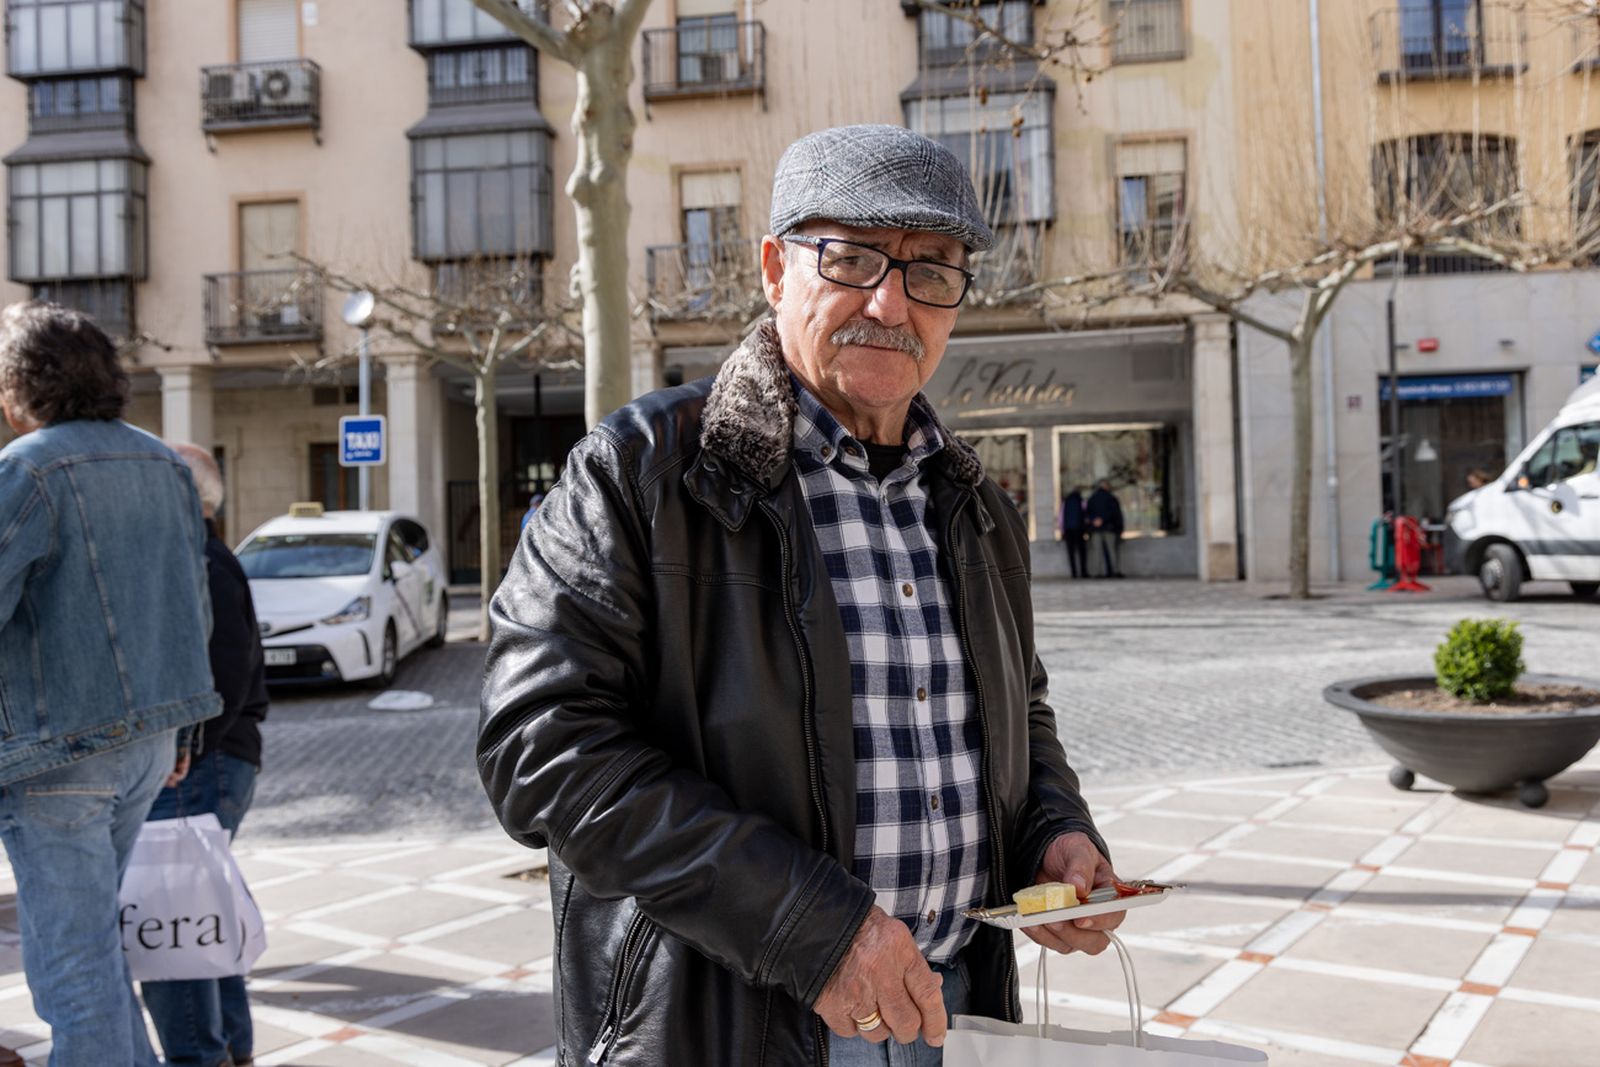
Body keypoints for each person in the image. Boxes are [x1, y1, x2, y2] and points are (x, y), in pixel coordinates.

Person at [479, 125, 1119, 1067]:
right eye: (852, 258)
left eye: (932, 270)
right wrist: (810, 929)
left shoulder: (976, 503)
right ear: (777, 268)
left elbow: (1019, 708)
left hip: (953, 1012)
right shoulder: (641, 470)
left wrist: (1054, 834)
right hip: (729, 1027)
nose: (890, 301)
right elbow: (543, 746)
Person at [0, 301, 220, 1067]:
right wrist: (188, 731)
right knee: (94, 954)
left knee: (73, 973)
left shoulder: (26, 469)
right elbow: (194, 608)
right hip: (150, 745)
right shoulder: (165, 462)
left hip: (61, 752)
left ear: (22, 384)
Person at [140, 443, 268, 1067]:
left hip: (201, 762)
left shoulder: (201, 560)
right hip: (211, 758)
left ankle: (199, 1054)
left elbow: (224, 672)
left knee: (170, 916)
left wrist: (182, 749)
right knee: (200, 910)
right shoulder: (202, 554)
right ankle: (229, 1047)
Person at [1086, 479, 1125, 579]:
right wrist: (1118, 528)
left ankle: (1097, 573)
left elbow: (1087, 514)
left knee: (1096, 551)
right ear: (1107, 486)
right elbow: (1115, 514)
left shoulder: (1092, 498)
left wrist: (1094, 520)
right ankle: (1115, 571)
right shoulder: (1111, 498)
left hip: (1096, 529)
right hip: (1109, 528)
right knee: (1112, 550)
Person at [1059, 485, 1087, 578]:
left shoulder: (1066, 502)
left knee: (1071, 553)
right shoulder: (1081, 501)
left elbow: (1061, 518)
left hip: (1068, 531)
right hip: (1079, 530)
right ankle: (1083, 572)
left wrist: (1062, 530)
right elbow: (1085, 515)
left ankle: (1074, 573)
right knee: (1082, 553)